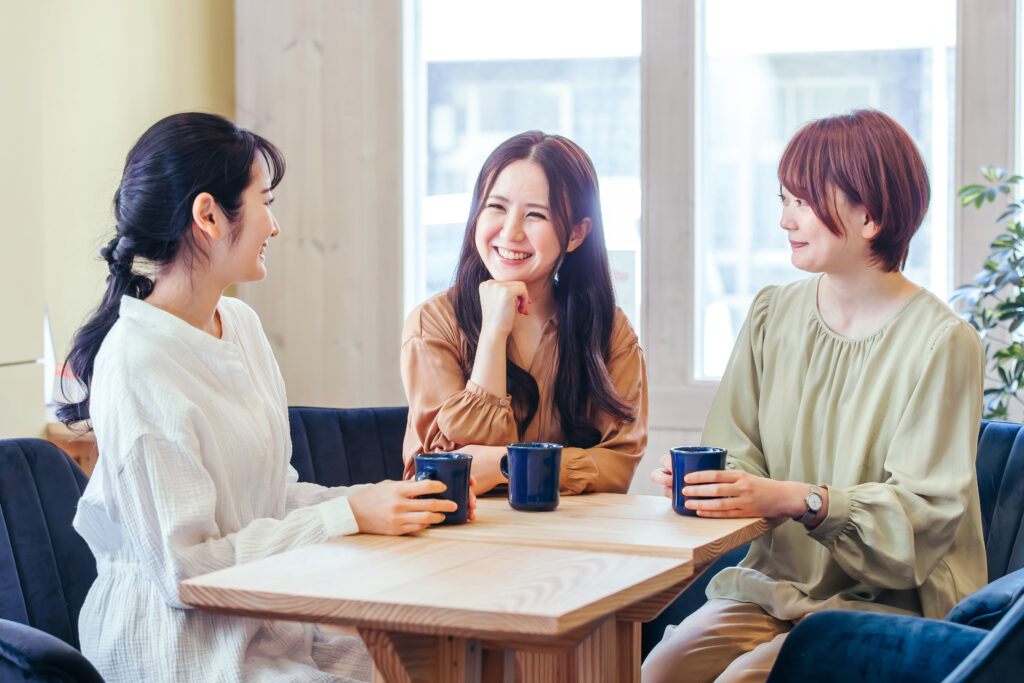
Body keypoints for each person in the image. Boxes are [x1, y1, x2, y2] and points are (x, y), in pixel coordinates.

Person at [60, 113, 461, 683]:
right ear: (208, 215)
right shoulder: (136, 363)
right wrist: (347, 515)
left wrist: (375, 501)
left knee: (416, 667)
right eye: (264, 201)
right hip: (178, 646)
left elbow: (272, 498)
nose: (274, 225)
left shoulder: (239, 325)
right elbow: (186, 572)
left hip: (260, 621)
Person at [643, 109, 986, 683]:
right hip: (774, 585)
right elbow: (738, 450)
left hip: (887, 602)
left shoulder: (943, 342)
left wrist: (799, 499)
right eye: (784, 200)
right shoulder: (772, 314)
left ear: (870, 215)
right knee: (659, 670)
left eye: (802, 202)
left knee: (744, 680)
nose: (785, 220)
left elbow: (918, 519)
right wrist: (714, 484)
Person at [401, 131, 648, 495]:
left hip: (567, 540)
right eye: (496, 207)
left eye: (536, 214)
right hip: (458, 539)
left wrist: (508, 465)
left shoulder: (608, 330)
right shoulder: (433, 323)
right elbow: (459, 469)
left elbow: (618, 465)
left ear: (576, 234)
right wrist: (492, 333)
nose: (510, 231)